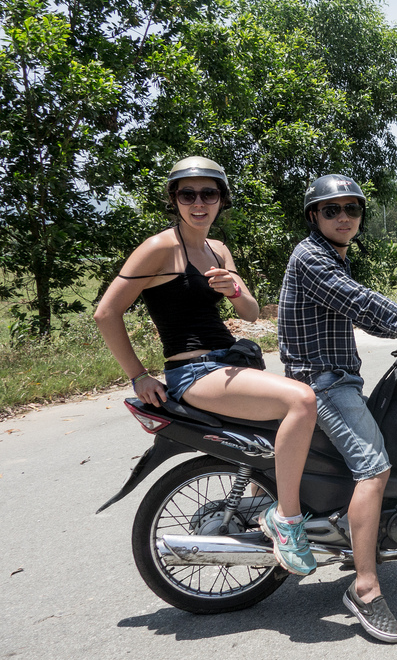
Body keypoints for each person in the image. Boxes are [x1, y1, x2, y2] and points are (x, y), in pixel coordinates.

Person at [94, 156, 319, 577]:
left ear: (221, 199)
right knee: (302, 402)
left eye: (208, 193)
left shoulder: (217, 249)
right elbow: (106, 313)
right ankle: (286, 522)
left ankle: (261, 503)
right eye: (188, 194)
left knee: (301, 413)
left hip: (228, 361)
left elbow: (250, 312)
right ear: (175, 200)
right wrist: (139, 375)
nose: (199, 202)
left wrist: (233, 289)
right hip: (194, 371)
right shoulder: (160, 248)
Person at [278, 174, 397, 643]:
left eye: (352, 209)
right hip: (323, 383)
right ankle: (364, 587)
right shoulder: (313, 259)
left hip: (335, 378)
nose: (343, 217)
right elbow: (366, 307)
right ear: (313, 216)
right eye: (331, 210)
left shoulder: (329, 257)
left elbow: (367, 301)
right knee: (374, 467)